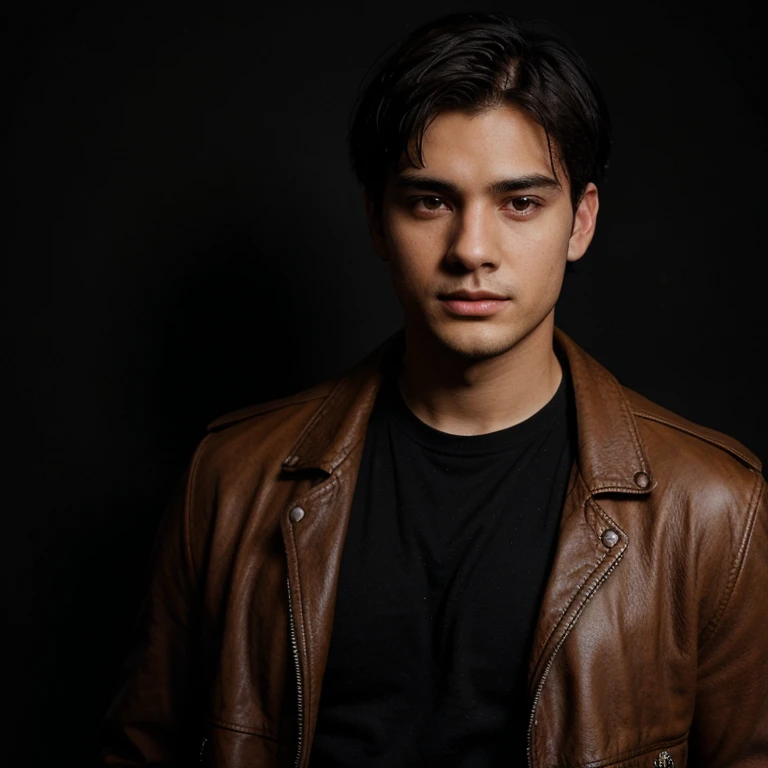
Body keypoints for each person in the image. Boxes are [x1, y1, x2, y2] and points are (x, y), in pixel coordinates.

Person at [101, 12, 767, 768]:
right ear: (378, 222)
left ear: (579, 222)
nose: (471, 251)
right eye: (430, 201)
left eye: (520, 203)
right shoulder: (229, 479)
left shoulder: (713, 510)